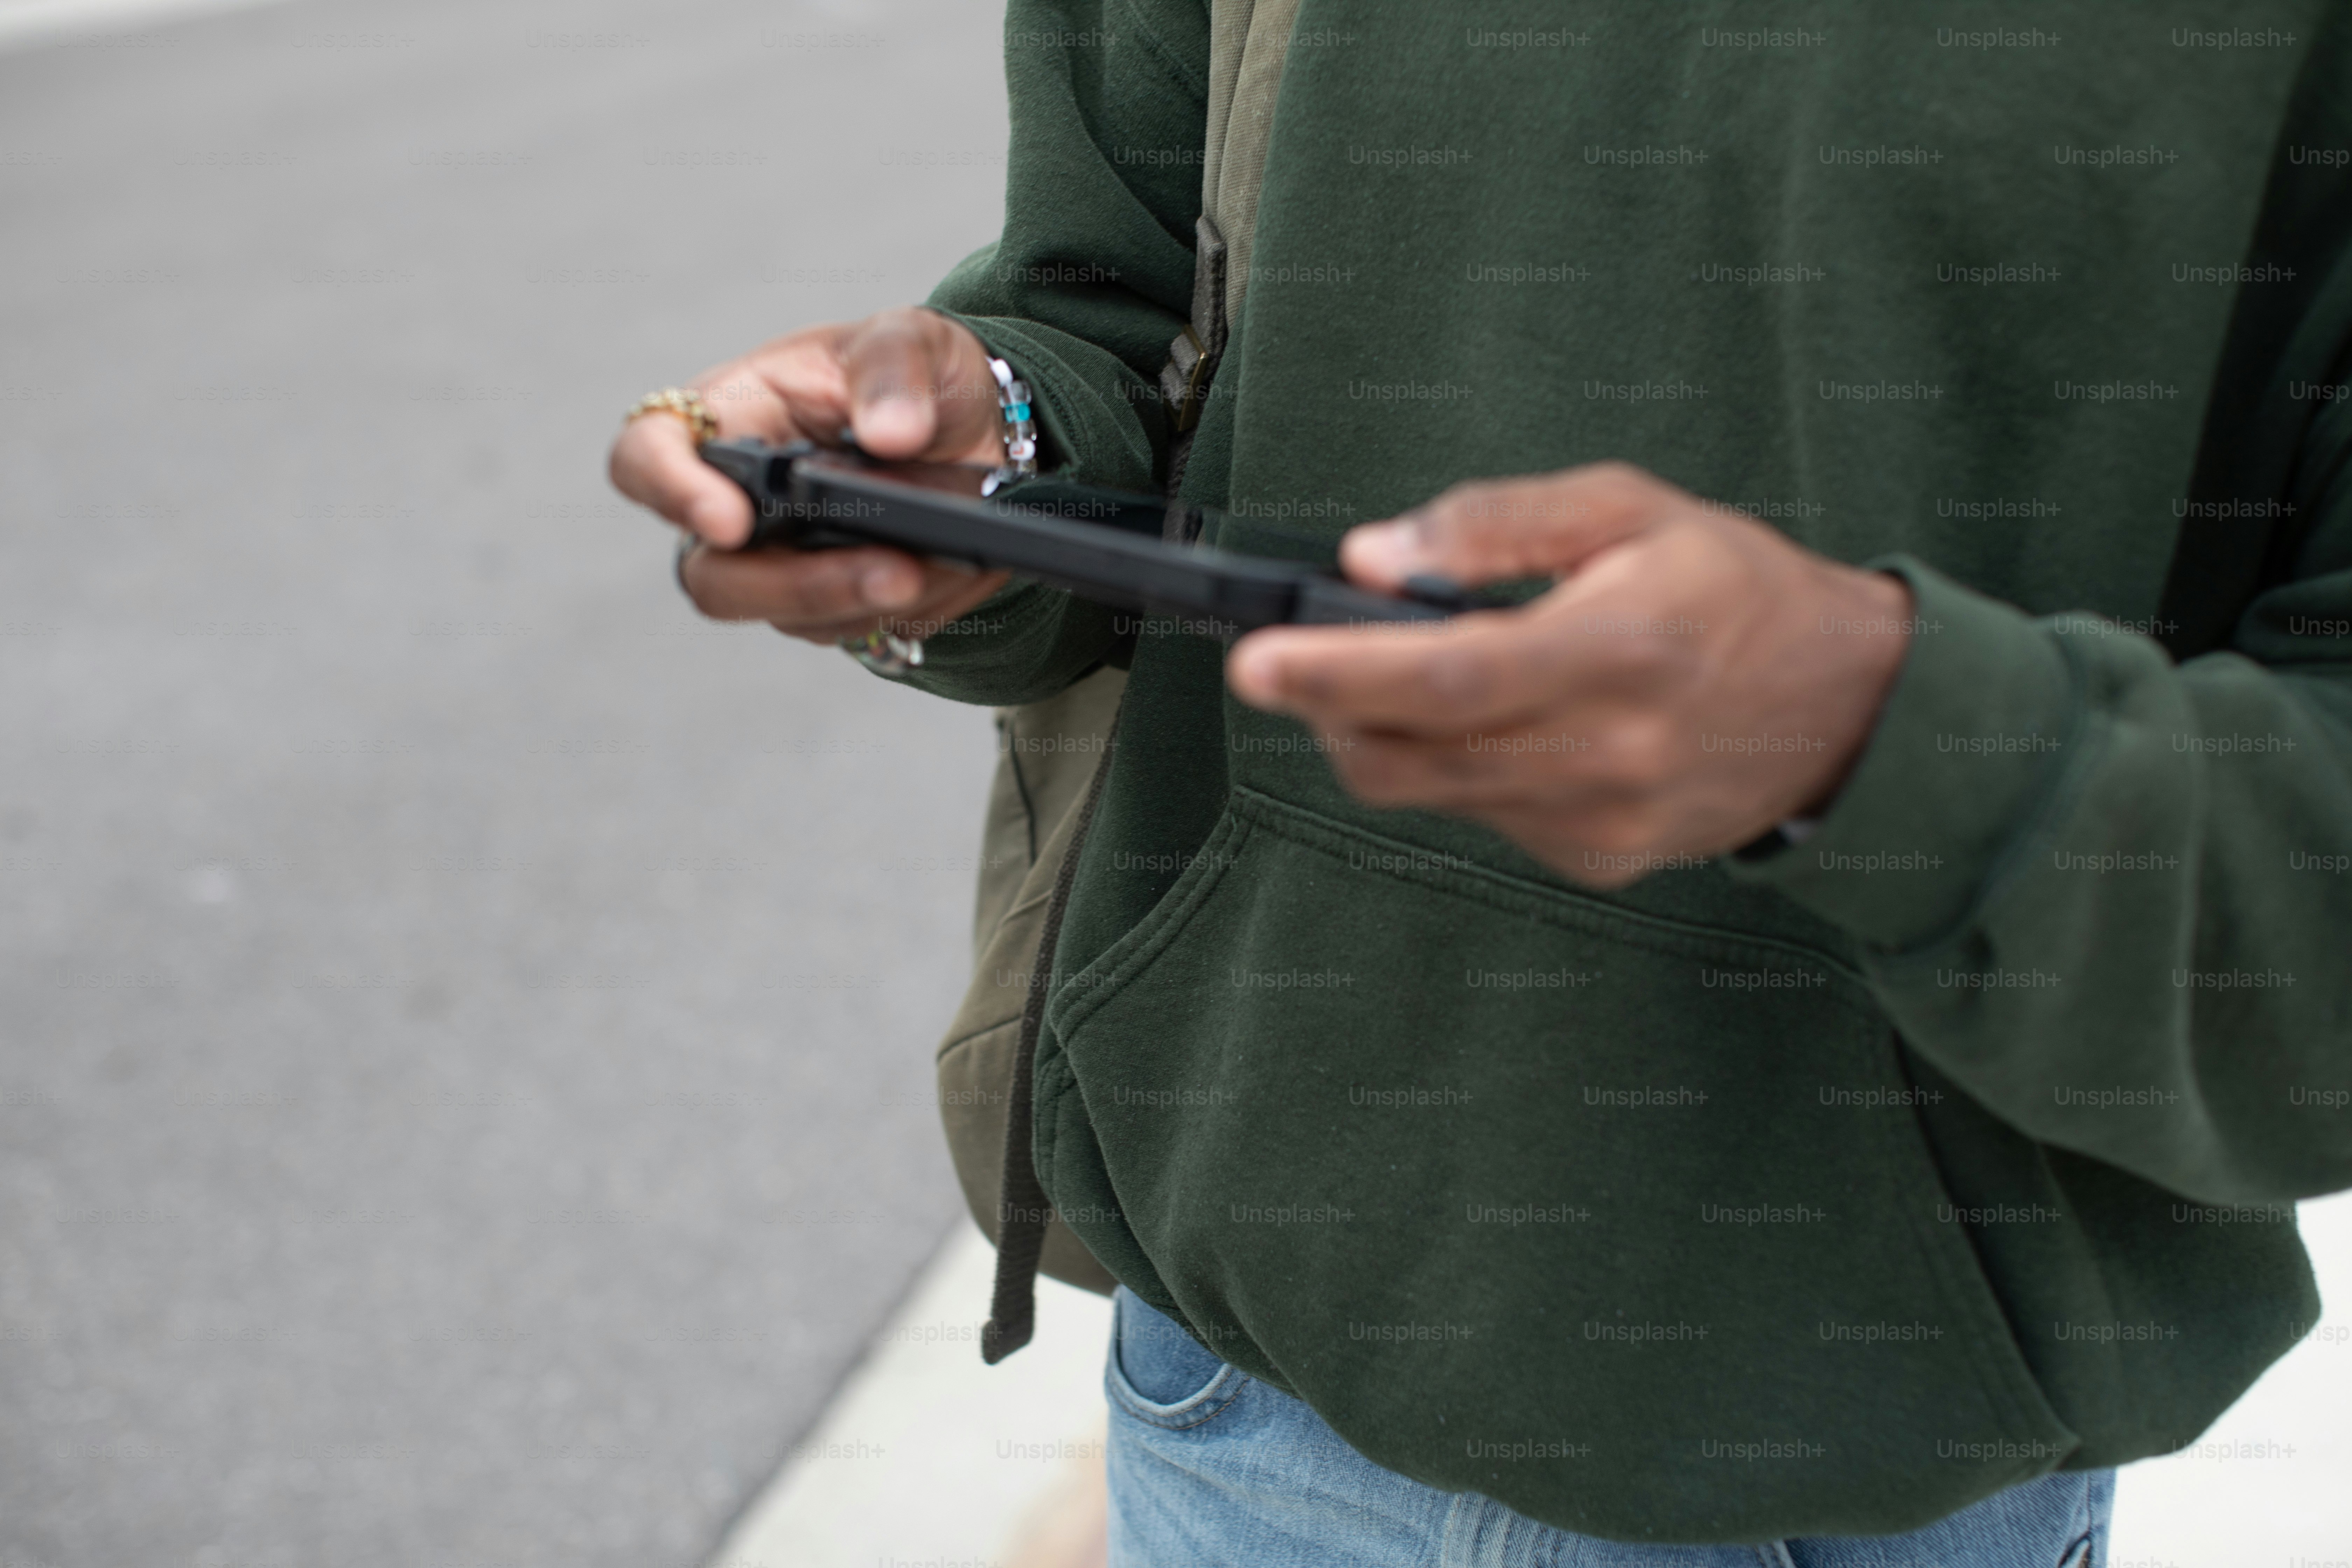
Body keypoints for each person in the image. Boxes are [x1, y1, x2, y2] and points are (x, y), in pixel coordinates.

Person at [610, 6, 2352, 1564]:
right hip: (1249, 1408)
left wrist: (1877, 734)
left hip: (1888, 1449)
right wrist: (988, 452)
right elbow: (1128, 315)